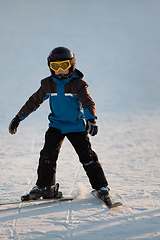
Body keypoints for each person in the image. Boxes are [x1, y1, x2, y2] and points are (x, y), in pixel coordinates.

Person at [9, 46, 110, 203]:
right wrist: (18, 118)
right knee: (47, 156)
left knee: (87, 157)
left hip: (76, 127)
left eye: (64, 65)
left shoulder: (78, 85)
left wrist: (91, 118)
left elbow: (88, 102)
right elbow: (33, 102)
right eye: (55, 66)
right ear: (50, 67)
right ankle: (45, 187)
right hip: (56, 126)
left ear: (71, 65)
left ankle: (101, 187)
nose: (60, 70)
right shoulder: (48, 85)